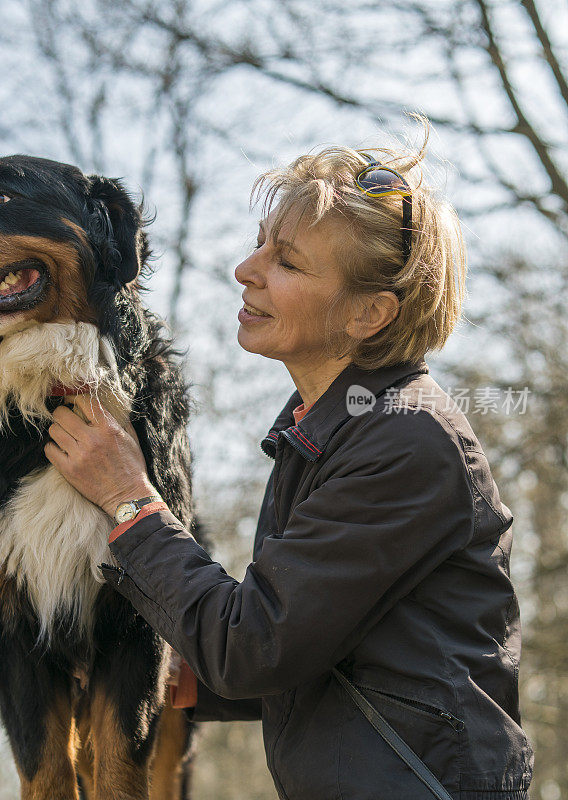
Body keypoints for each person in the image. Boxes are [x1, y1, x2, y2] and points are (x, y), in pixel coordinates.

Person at [44, 134, 534, 799]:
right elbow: (314, 651)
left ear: (369, 313)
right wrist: (175, 676)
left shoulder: (407, 440)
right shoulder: (326, 431)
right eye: (259, 242)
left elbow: (253, 645)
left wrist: (131, 499)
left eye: (289, 263)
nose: (247, 270)